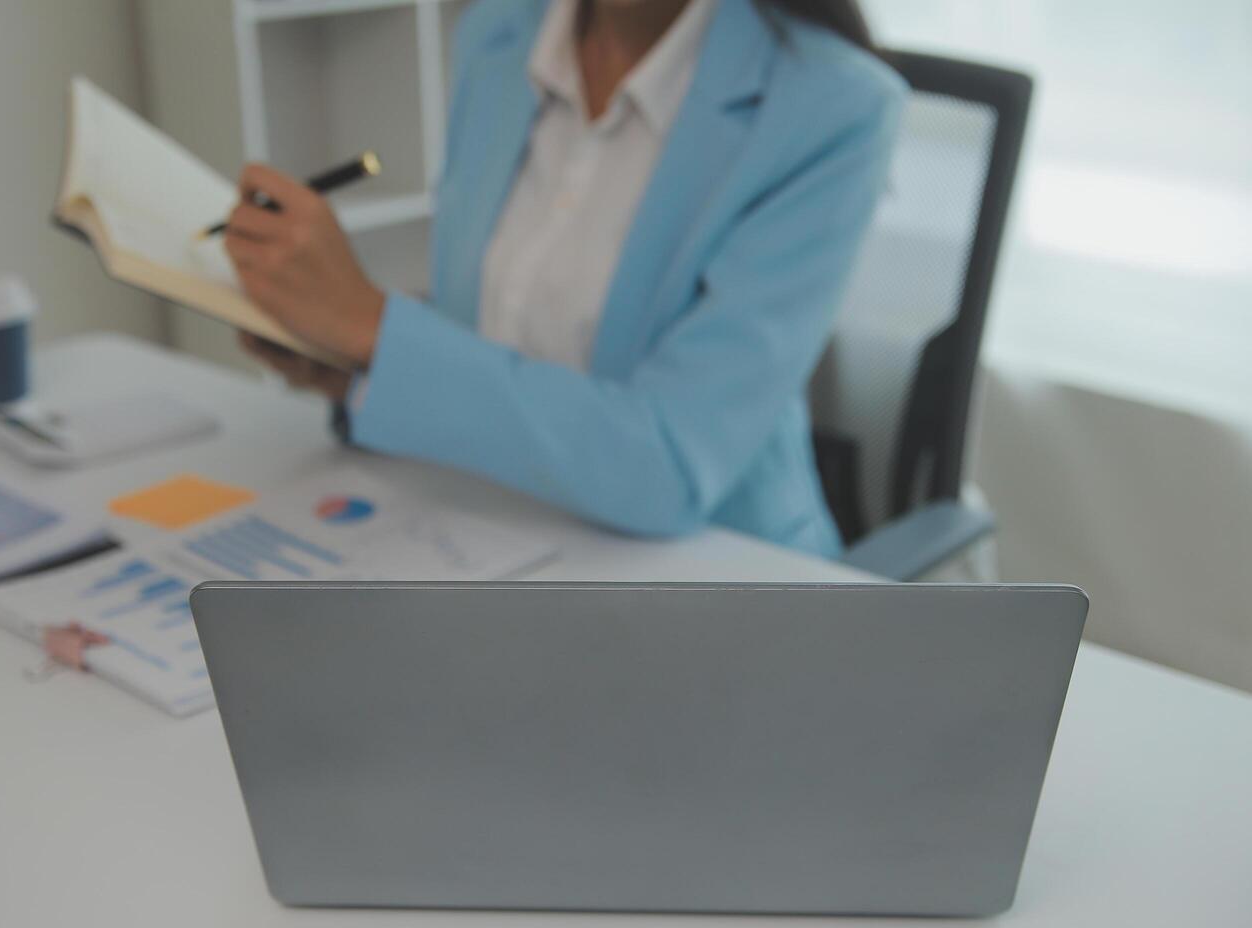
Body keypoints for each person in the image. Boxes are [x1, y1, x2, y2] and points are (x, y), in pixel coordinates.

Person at [226, 0, 904, 556]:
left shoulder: (835, 108)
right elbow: (494, 325)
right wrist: (354, 366)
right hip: (498, 529)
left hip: (717, 569)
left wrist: (375, 329)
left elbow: (667, 464)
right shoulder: (498, 32)